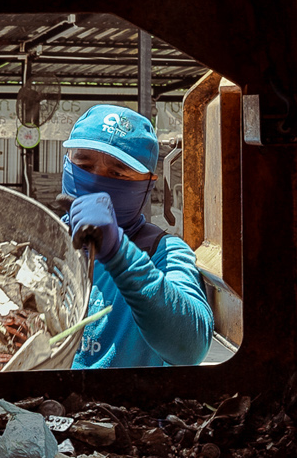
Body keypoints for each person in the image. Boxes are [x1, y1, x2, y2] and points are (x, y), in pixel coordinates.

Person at [60, 104, 212, 368]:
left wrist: (118, 253)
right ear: (66, 162)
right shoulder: (39, 242)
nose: (95, 180)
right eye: (84, 164)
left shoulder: (163, 253)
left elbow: (191, 348)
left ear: (148, 184)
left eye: (117, 173)